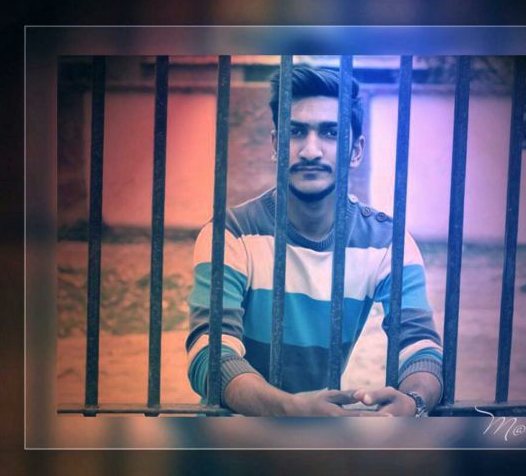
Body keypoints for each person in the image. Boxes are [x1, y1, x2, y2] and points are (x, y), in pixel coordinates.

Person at [186, 65, 443, 416]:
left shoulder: (387, 243)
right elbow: (210, 355)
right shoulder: (231, 234)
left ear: (356, 151)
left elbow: (421, 347)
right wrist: (290, 409)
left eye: (331, 132)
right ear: (276, 145)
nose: (310, 151)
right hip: (233, 432)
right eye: (295, 132)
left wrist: (413, 402)